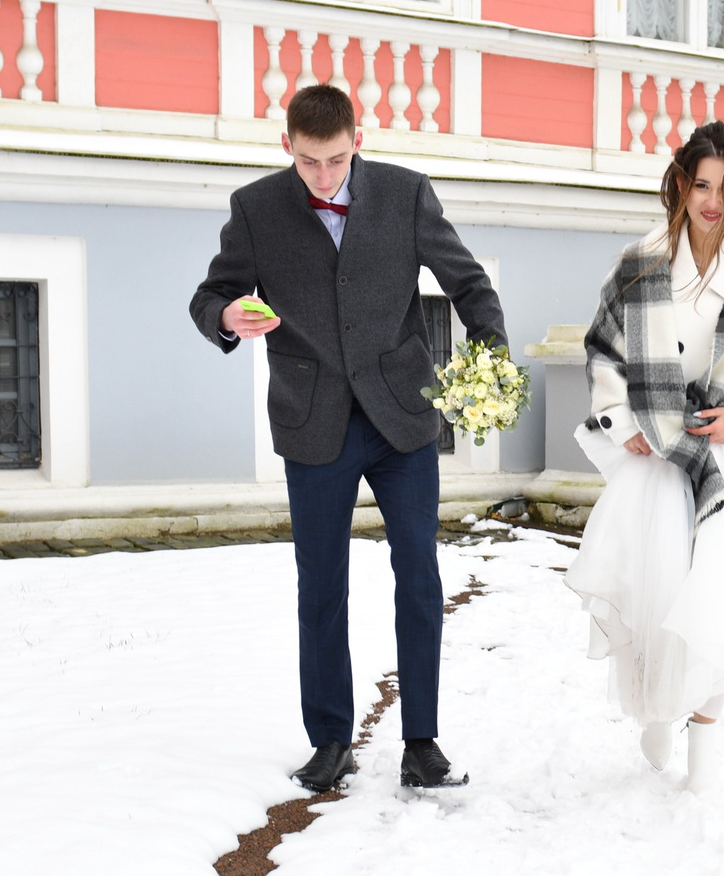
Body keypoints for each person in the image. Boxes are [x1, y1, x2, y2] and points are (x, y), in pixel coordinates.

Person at [189, 83, 508, 794]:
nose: (324, 175)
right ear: (288, 148)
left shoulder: (407, 194)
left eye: (335, 159)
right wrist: (228, 315)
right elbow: (210, 294)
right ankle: (331, 740)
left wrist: (491, 362)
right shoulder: (256, 209)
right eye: (309, 162)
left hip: (401, 419)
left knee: (419, 577)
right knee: (321, 587)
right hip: (314, 420)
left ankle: (421, 742)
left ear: (357, 141)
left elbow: (469, 285)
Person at [565, 122, 724, 793]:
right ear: (679, 182)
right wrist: (620, 422)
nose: (712, 201)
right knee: (654, 596)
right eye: (702, 184)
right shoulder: (639, 263)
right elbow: (603, 352)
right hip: (655, 458)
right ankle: (655, 710)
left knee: (722, 603)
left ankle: (703, 747)